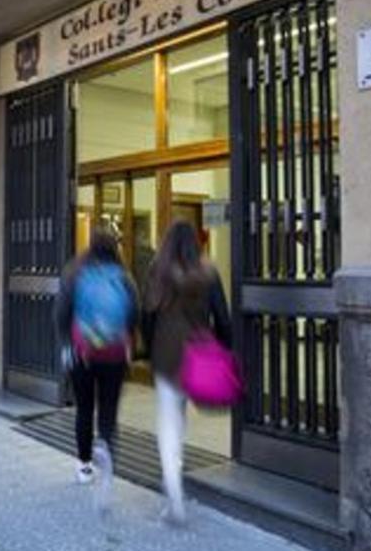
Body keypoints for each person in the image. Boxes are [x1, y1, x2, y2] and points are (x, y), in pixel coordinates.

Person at [142, 220, 231, 525]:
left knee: (168, 422)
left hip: (167, 356)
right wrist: (223, 348)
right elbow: (223, 317)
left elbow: (148, 315)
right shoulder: (208, 271)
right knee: (179, 418)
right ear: (195, 242)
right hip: (199, 354)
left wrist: (148, 349)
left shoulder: (158, 269)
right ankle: (176, 476)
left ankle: (175, 497)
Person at [54, 229, 138, 511]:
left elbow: (61, 312)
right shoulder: (123, 275)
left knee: (84, 408)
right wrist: (129, 344)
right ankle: (106, 452)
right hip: (114, 352)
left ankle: (84, 465)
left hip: (82, 352)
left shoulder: (74, 270)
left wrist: (68, 342)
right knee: (109, 408)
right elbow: (133, 313)